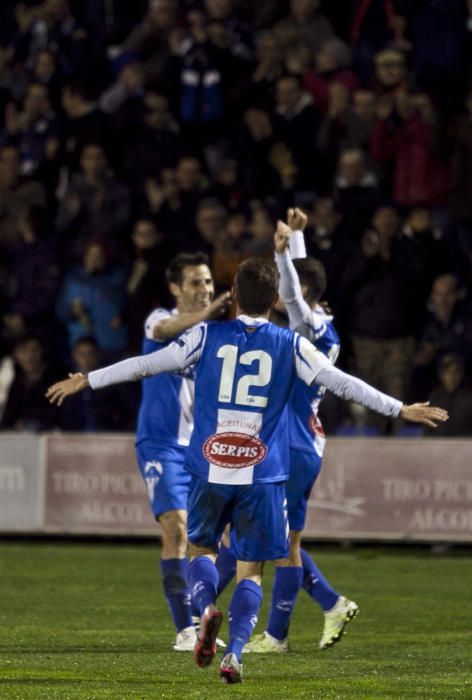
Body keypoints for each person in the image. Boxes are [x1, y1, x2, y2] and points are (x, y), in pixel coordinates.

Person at [47, 253, 448, 684]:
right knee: (251, 569)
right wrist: (399, 407)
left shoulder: (204, 335)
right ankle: (235, 653)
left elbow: (144, 365)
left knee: (202, 551)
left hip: (209, 468)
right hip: (263, 474)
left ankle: (204, 612)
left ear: (233, 296)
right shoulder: (291, 344)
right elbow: (341, 381)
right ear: (275, 298)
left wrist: (88, 379)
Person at [245, 208, 358, 654]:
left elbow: (294, 295)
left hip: (294, 442)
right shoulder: (317, 323)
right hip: (296, 438)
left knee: (282, 542)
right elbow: (300, 292)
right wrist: (295, 240)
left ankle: (276, 636)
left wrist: (284, 253)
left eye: (280, 280)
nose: (276, 290)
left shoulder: (309, 323)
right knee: (273, 537)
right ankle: (329, 603)